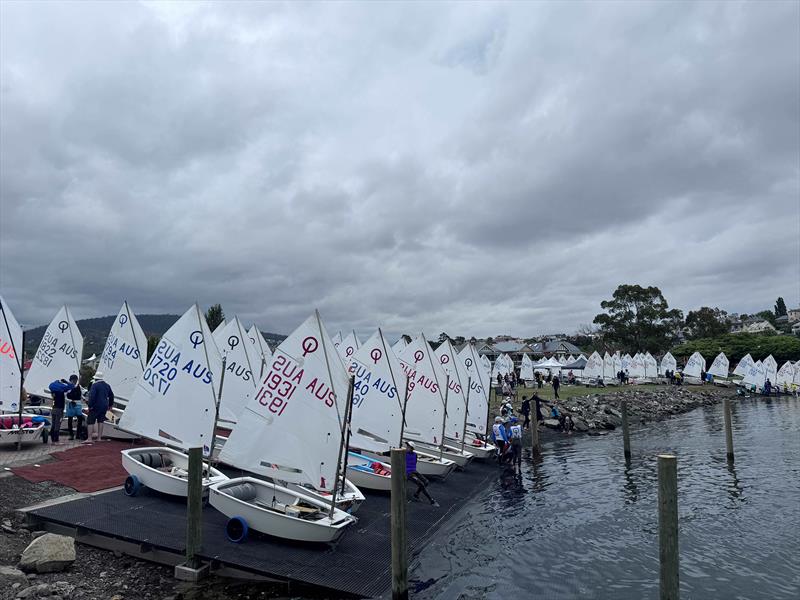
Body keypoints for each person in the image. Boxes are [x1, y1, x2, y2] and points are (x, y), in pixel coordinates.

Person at [47, 377, 76, 445]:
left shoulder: (53, 391)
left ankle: (53, 440)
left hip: (54, 409)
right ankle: (56, 441)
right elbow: (72, 386)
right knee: (57, 425)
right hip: (59, 410)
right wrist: (66, 382)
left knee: (53, 425)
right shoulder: (60, 391)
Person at [87, 372, 114, 442]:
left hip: (96, 406)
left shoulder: (94, 385)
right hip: (104, 406)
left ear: (95, 378)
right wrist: (110, 405)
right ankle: (99, 438)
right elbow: (111, 395)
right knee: (101, 421)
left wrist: (90, 406)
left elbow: (92, 396)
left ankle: (89, 439)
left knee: (90, 421)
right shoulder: (107, 385)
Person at [64, 375, 85, 440]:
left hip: (78, 404)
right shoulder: (67, 387)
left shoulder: (79, 386)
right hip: (70, 404)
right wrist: (70, 401)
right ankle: (71, 435)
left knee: (80, 419)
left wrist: (84, 399)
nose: (74, 381)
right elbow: (64, 397)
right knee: (70, 419)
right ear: (70, 380)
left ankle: (78, 434)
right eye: (73, 380)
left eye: (75, 380)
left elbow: (81, 395)